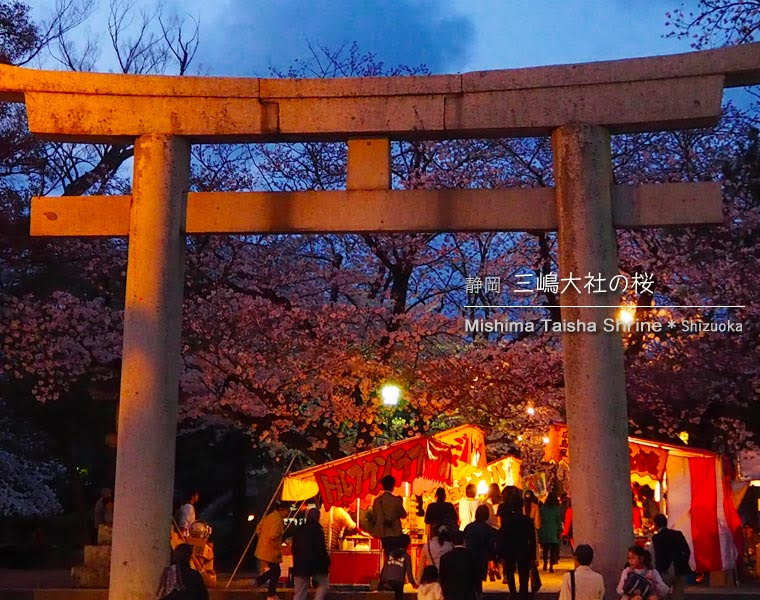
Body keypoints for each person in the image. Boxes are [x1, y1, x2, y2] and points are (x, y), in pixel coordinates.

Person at [497, 486, 536, 600]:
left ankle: (513, 592)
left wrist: (500, 552)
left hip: (509, 550)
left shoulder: (507, 522)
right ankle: (523, 592)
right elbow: (532, 539)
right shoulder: (527, 521)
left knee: (509, 571)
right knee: (523, 573)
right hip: (524, 550)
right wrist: (533, 555)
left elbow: (502, 536)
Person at [254, 502, 290, 600]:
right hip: (271, 550)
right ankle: (271, 594)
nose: (288, 513)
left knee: (275, 571)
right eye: (287, 511)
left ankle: (261, 582)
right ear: (282, 510)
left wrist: (262, 539)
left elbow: (258, 528)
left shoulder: (269, 516)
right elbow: (273, 536)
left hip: (263, 548)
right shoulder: (278, 520)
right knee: (276, 571)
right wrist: (277, 549)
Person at [292, 507, 329, 600]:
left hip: (300, 565)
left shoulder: (299, 529)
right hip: (316, 565)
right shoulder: (318, 530)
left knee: (299, 592)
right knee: (323, 584)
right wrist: (327, 562)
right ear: (318, 517)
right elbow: (321, 549)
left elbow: (294, 547)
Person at [652, 514, 691, 600]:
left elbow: (658, 555)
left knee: (662, 594)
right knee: (678, 594)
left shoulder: (657, 538)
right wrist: (684, 561)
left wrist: (657, 571)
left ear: (655, 524)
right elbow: (687, 551)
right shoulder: (678, 534)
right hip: (680, 567)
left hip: (665, 569)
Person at [464, 504, 497, 597]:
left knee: (471, 579)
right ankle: (478, 594)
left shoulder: (469, 527)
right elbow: (491, 545)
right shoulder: (488, 529)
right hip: (481, 557)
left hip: (469, 556)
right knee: (478, 581)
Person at [372, 475, 407, 555]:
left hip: (382, 533)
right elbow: (403, 515)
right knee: (394, 555)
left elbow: (375, 517)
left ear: (383, 486)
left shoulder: (377, 501)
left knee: (385, 554)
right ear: (393, 486)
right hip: (395, 533)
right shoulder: (396, 501)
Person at [439, 530, 479, 600]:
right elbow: (476, 576)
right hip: (468, 594)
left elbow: (442, 577)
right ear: (464, 541)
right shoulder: (472, 556)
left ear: (452, 542)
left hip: (451, 594)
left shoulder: (445, 558)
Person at [379, 534, 416, 600]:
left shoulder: (391, 554)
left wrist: (381, 582)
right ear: (407, 544)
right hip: (398, 583)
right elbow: (409, 572)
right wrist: (413, 584)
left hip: (387, 582)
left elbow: (385, 568)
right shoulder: (406, 556)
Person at [538, 492, 563, 572]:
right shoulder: (556, 509)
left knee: (545, 549)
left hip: (544, 530)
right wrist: (559, 531)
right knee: (553, 550)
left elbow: (540, 520)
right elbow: (558, 521)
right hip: (553, 531)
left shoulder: (542, 509)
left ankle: (545, 563)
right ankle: (551, 566)